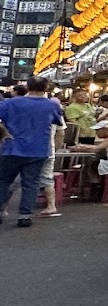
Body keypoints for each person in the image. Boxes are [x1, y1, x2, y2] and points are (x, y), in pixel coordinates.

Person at [0, 76, 66, 228]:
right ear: (46, 88)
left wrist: (4, 133)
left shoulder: (9, 103)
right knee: (31, 183)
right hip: (38, 149)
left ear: (27, 86)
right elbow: (57, 121)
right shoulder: (52, 105)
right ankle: (25, 216)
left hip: (11, 148)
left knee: (3, 181)